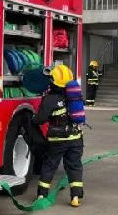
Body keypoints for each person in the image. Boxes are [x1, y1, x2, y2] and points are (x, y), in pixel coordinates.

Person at [33, 64, 84, 207]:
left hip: (57, 140)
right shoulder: (75, 97)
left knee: (49, 165)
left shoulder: (50, 99)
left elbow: (40, 119)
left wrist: (32, 119)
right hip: (75, 138)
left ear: (53, 82)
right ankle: (75, 197)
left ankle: (42, 195)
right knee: (74, 166)